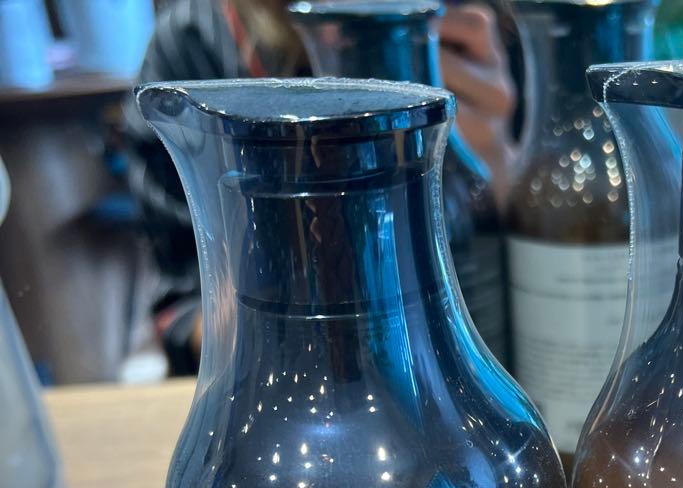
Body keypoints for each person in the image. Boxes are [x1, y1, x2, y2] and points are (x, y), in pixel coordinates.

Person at [125, 0, 515, 375]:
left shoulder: (482, 27)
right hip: (288, 384)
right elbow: (181, 313)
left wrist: (495, 163)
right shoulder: (194, 41)